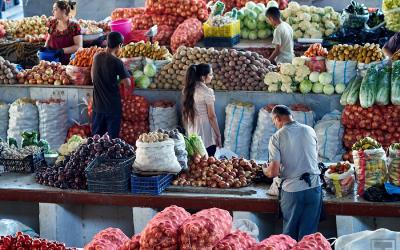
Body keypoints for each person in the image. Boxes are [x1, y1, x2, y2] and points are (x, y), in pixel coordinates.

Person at [263, 105, 322, 241]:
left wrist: (265, 170)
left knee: (289, 237)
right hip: (314, 187)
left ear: (277, 118)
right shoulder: (309, 130)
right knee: (308, 237)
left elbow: (273, 172)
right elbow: (314, 157)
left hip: (293, 191)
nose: (275, 125)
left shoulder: (277, 137)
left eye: (274, 122)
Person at [91, 31, 131, 139]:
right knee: (111, 141)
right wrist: (120, 78)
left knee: (96, 142)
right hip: (112, 108)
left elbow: (92, 78)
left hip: (97, 107)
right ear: (120, 45)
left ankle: (96, 157)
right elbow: (127, 83)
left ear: (106, 43)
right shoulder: (117, 62)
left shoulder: (96, 57)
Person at [182, 64, 222, 156]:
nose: (212, 76)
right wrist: (218, 135)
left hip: (192, 127)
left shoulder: (187, 90)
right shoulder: (207, 92)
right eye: (211, 74)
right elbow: (212, 116)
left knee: (196, 160)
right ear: (203, 77)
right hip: (205, 129)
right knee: (207, 159)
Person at [45, 0, 82, 65]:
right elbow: (49, 38)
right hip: (52, 61)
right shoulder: (52, 23)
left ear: (64, 11)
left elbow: (78, 46)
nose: (52, 11)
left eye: (55, 9)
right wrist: (44, 48)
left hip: (69, 62)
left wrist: (62, 51)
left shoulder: (74, 26)